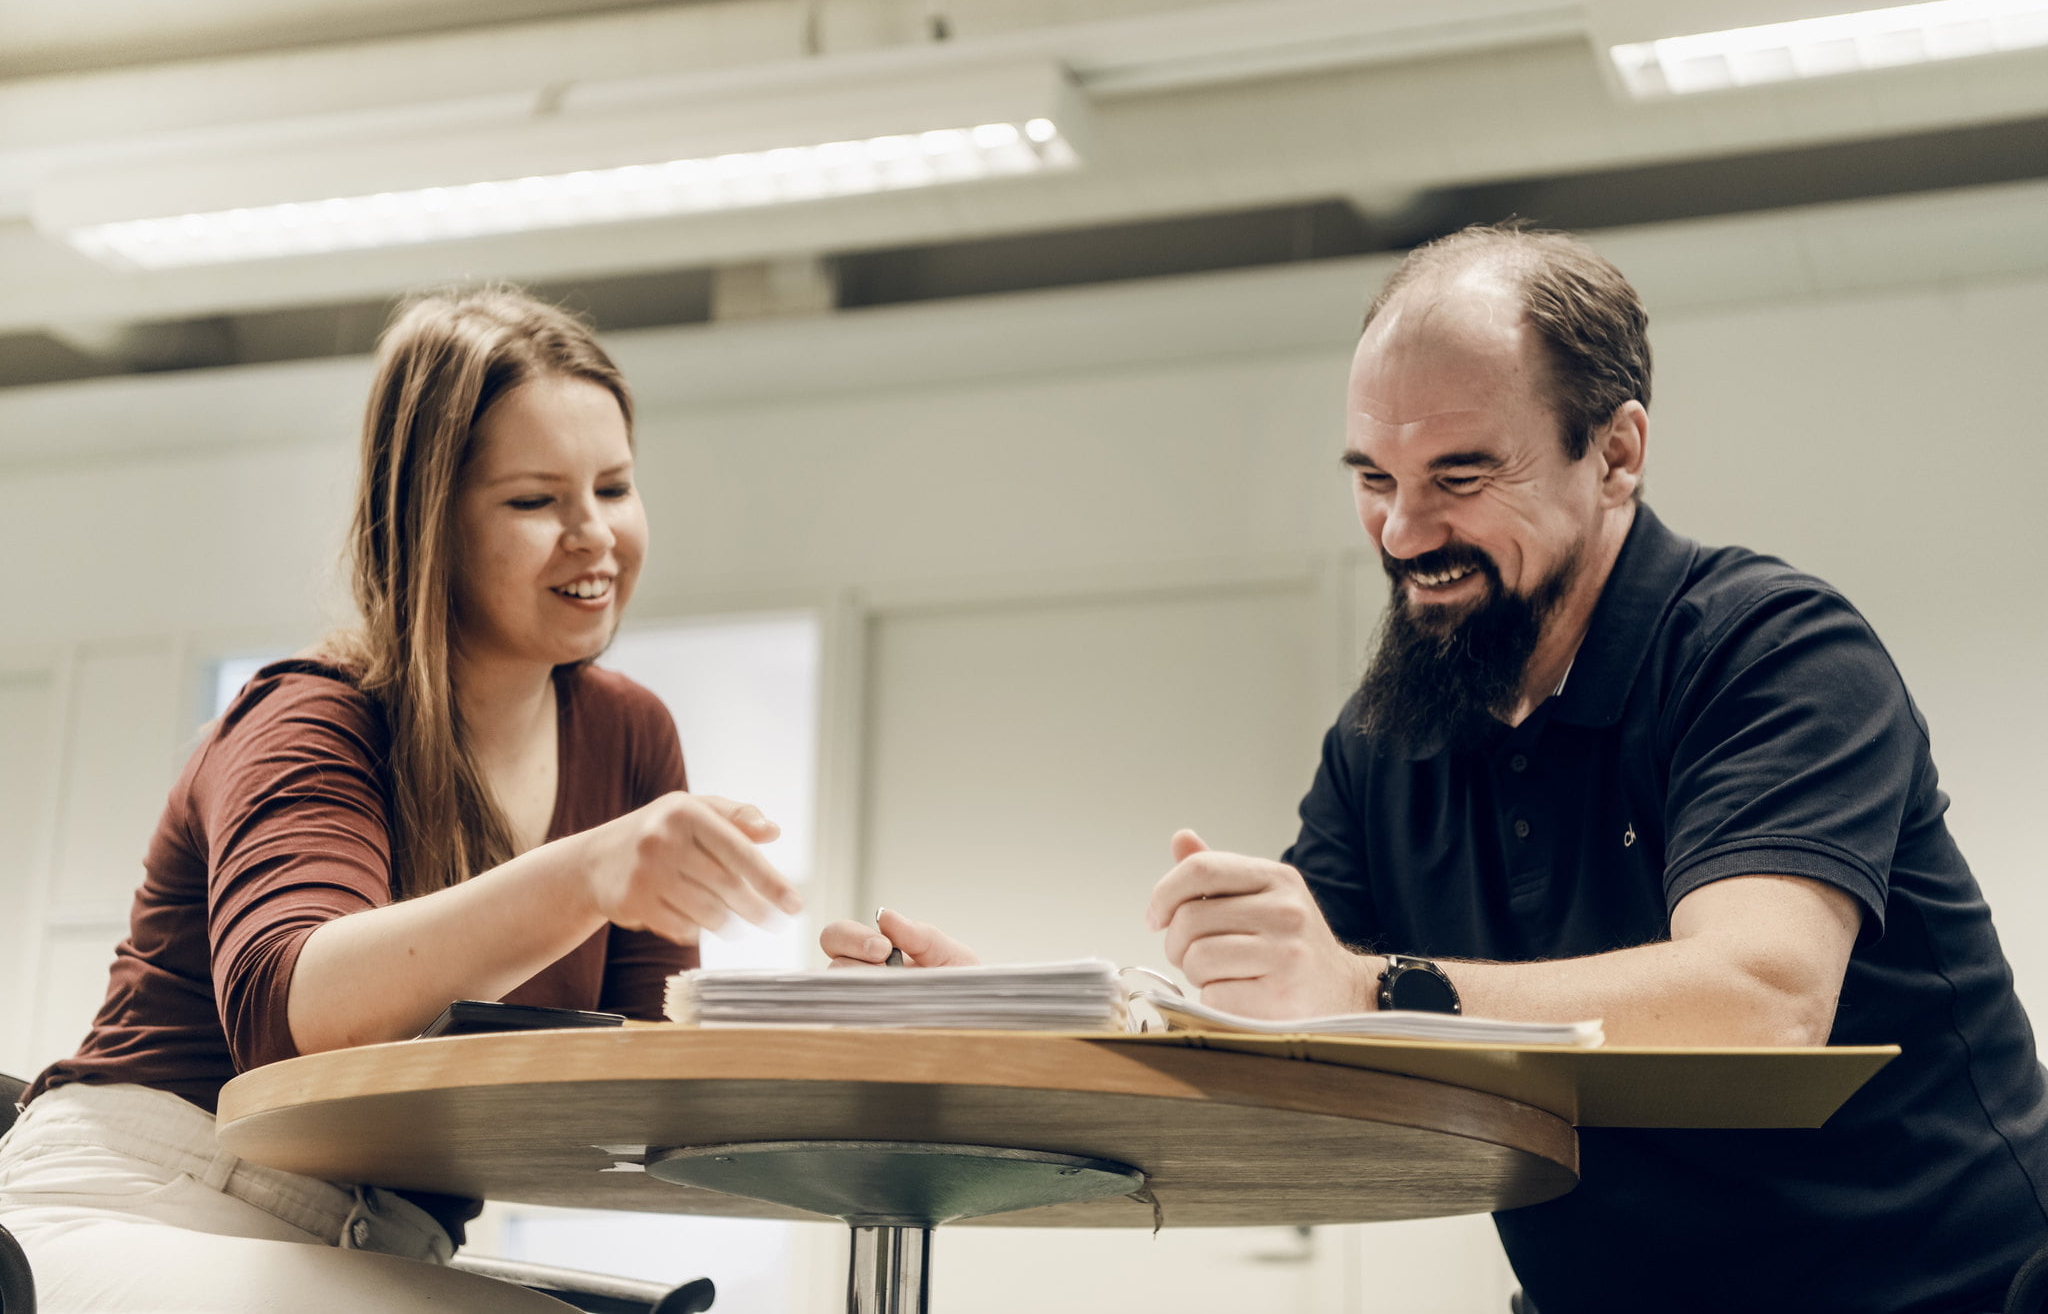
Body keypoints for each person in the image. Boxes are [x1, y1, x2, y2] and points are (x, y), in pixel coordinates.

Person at [824, 225, 2048, 1312]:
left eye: (1460, 477)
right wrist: (1019, 1013)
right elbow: (1267, 1040)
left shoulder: (1769, 652)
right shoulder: (1390, 732)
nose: (1404, 534)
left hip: (1939, 1290)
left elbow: (1760, 1002)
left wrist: (1367, 991)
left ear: (1614, 454)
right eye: (1373, 480)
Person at [1, 287, 803, 1312]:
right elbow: (299, 1017)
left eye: (613, 488)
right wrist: (590, 872)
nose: (592, 536)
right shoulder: (309, 717)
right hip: (145, 1201)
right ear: (427, 521)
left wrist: (849, 1019)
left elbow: (646, 1083)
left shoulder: (627, 734)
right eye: (533, 501)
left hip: (380, 1242)